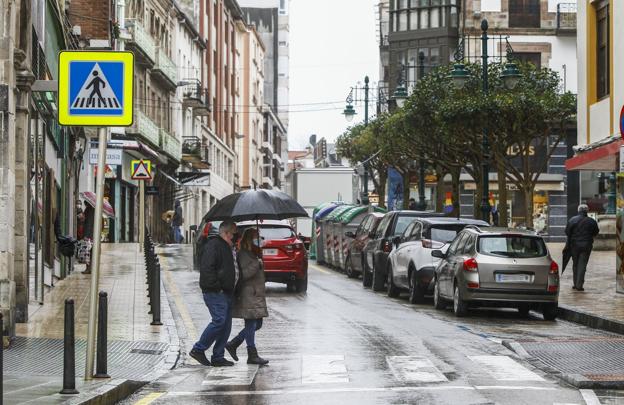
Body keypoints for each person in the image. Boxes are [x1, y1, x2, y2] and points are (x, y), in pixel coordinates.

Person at [189, 220, 239, 367]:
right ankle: (198, 349)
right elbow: (207, 269)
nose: (234, 237)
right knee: (219, 321)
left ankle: (218, 356)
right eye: (233, 234)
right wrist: (218, 287)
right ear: (225, 233)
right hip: (216, 292)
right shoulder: (214, 245)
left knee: (226, 325)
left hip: (227, 292)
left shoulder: (228, 246)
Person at [225, 228, 269, 365]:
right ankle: (251, 354)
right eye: (257, 237)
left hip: (255, 294)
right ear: (250, 239)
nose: (260, 240)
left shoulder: (253, 253)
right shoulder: (243, 254)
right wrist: (257, 264)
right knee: (251, 323)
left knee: (257, 324)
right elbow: (244, 274)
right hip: (249, 294)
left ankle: (234, 343)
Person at [565, 204, 599, 291]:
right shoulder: (591, 221)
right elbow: (596, 232)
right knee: (582, 265)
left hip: (574, 246)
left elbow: (567, 232)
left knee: (575, 264)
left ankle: (575, 283)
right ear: (587, 211)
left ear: (578, 210)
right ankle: (579, 285)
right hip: (586, 245)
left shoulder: (572, 220)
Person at [78, 201, 95, 274]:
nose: (84, 204)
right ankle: (90, 268)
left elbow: (88, 223)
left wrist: (86, 235)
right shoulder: (91, 209)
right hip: (91, 234)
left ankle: (88, 268)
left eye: (85, 203)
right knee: (90, 252)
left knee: (87, 253)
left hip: (89, 235)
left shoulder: (90, 210)